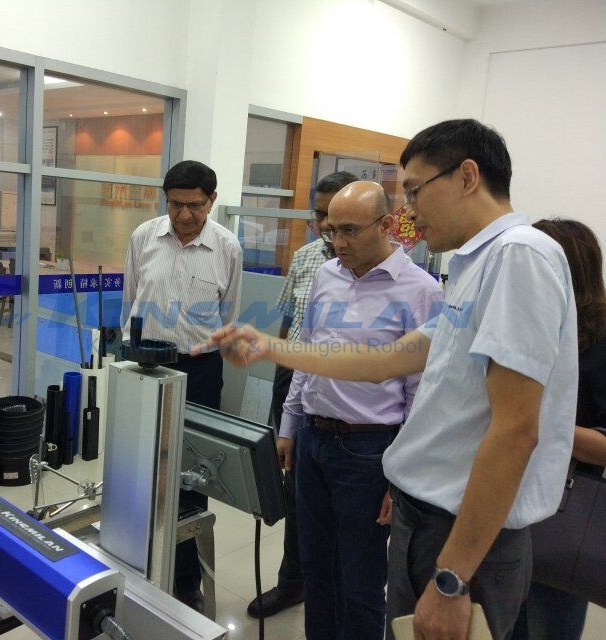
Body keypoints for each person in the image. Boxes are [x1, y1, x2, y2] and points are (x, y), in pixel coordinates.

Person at [200, 119, 578, 640]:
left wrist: (451, 579)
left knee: (364, 589)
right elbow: (387, 360)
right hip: (427, 515)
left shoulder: (519, 257)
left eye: (416, 191)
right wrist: (269, 346)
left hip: (460, 529)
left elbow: (515, 430)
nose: (410, 212)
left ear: (467, 176)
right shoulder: (476, 265)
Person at [283, 181, 443, 639]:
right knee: (315, 566)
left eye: (350, 230)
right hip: (313, 439)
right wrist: (290, 425)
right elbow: (308, 352)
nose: (338, 242)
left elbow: (421, 393)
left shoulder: (421, 291)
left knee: (360, 579)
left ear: (386, 224)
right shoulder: (327, 275)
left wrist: (399, 474)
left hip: (369, 451)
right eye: (331, 230)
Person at [121, 159, 242, 611]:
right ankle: (133, 559)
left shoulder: (227, 247)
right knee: (138, 464)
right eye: (175, 204)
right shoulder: (144, 237)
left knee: (193, 472)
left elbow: (229, 317)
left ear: (212, 201)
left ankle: (185, 578)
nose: (184, 215)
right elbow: (130, 301)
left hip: (200, 370)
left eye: (195, 205)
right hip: (144, 365)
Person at [248, 171, 359, 620]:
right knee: (296, 487)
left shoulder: (385, 265)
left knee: (347, 505)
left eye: (338, 217)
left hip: (350, 394)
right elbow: (288, 319)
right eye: (320, 215)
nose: (327, 225)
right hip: (295, 379)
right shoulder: (307, 256)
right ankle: (294, 582)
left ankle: (340, 592)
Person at [511, 218, 606, 640]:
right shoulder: (525, 327)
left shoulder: (599, 342)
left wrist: (536, 421)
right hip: (506, 499)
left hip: (562, 509)